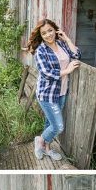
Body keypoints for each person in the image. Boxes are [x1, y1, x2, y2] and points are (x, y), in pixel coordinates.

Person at [26, 19, 82, 161]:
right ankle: (40, 140)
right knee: (58, 127)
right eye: (44, 33)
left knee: (50, 123)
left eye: (50, 30)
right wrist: (67, 70)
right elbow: (46, 73)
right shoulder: (41, 51)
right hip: (47, 94)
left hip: (62, 92)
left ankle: (47, 148)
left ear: (55, 30)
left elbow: (77, 55)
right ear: (41, 35)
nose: (48, 35)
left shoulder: (62, 44)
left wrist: (67, 39)